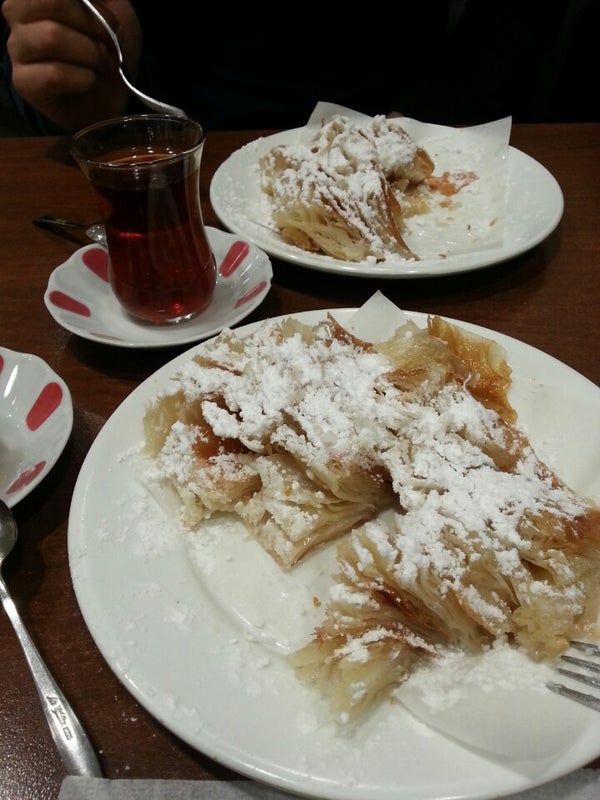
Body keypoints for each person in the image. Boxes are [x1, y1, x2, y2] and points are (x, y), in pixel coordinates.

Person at [1, 0, 598, 137]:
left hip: (414, 122)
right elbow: (27, 45)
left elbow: (518, 17)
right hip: (175, 143)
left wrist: (434, 115)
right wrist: (77, 76)